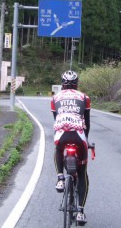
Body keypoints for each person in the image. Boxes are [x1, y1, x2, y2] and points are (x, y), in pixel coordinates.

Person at [51, 70, 91, 225]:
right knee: (82, 174)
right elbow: (86, 122)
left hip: (62, 135)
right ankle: (80, 212)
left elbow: (57, 120)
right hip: (79, 136)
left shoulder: (55, 98)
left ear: (62, 84)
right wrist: (86, 140)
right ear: (77, 84)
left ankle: (60, 178)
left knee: (58, 149)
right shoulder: (84, 97)